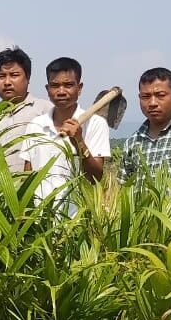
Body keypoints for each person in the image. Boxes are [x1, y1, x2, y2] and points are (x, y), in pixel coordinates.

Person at [18, 57, 110, 208]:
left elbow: (96, 177)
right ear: (47, 89)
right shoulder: (35, 125)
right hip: (40, 215)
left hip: (78, 216)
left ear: (79, 88)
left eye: (68, 85)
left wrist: (79, 141)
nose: (61, 91)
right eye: (55, 86)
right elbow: (27, 175)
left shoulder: (95, 124)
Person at [0, 47, 52, 169]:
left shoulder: (46, 111)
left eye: (14, 75)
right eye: (1, 76)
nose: (7, 82)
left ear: (28, 78)